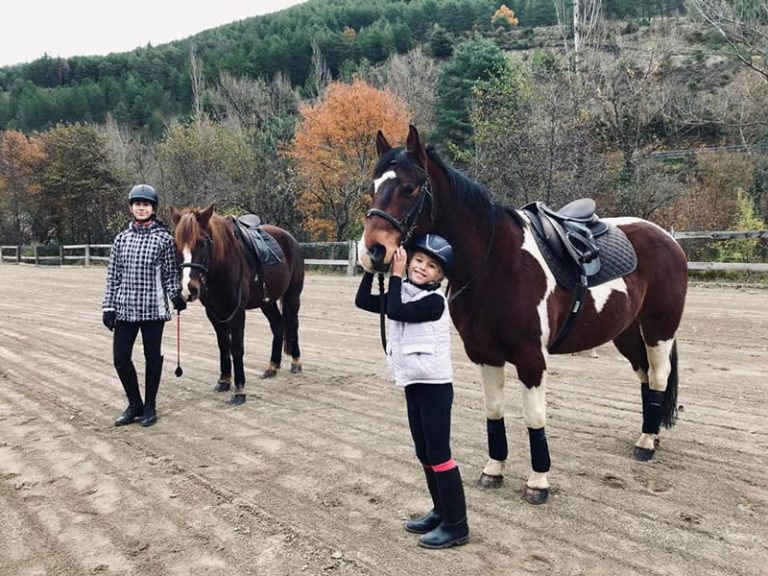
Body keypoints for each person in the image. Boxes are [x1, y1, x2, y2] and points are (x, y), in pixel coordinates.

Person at [355, 234, 469, 549]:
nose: (421, 268)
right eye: (418, 260)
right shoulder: (404, 291)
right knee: (424, 453)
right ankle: (441, 511)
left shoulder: (434, 302)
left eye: (431, 266)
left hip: (435, 387)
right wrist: (371, 268)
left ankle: (457, 524)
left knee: (440, 454)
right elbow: (363, 302)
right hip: (414, 384)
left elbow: (395, 311)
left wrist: (394, 274)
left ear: (440, 276)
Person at [102, 184, 186, 428]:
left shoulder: (164, 240)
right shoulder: (121, 239)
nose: (141, 208)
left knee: (152, 358)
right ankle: (134, 404)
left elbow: (170, 275)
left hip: (153, 309)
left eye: (145, 204)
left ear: (153, 208)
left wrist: (176, 297)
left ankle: (150, 405)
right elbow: (113, 276)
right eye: (137, 204)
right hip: (125, 308)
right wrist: (108, 307)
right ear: (131, 207)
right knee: (120, 358)